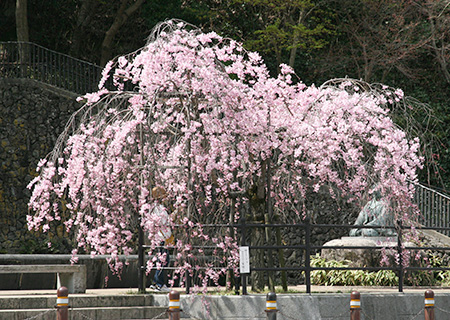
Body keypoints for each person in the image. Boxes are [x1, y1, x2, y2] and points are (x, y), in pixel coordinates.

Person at [149, 186, 174, 292]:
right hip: (162, 236)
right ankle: (159, 283)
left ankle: (158, 283)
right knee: (163, 260)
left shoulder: (157, 207)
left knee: (162, 260)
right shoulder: (157, 209)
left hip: (161, 236)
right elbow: (163, 222)